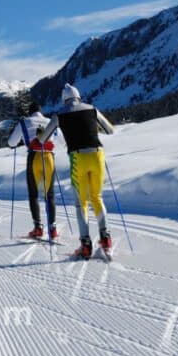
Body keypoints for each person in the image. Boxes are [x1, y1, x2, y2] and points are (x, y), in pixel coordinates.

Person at [37, 83, 115, 259]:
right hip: (97, 156)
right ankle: (106, 238)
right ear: (78, 96)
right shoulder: (92, 109)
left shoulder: (59, 115)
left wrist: (41, 133)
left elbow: (43, 139)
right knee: (97, 197)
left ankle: (85, 244)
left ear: (64, 100)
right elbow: (110, 130)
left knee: (81, 202)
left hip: (78, 158)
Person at [7, 103, 58, 240]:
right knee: (50, 194)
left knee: (34, 194)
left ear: (30, 112)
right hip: (49, 157)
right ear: (41, 111)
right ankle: (52, 229)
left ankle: (38, 228)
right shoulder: (49, 121)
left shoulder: (24, 122)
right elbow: (61, 140)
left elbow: (11, 142)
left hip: (34, 157)